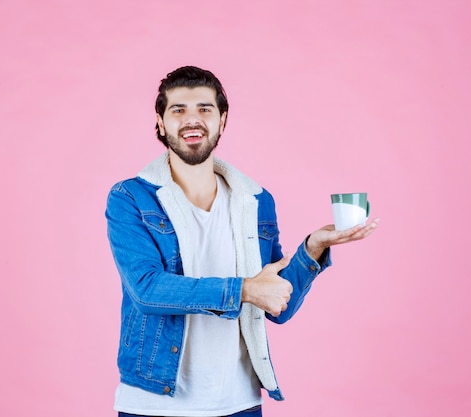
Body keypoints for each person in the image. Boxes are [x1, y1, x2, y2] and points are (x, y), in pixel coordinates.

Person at [105, 66, 379, 417]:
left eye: (205, 109)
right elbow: (147, 291)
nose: (193, 120)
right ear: (160, 123)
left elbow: (276, 303)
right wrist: (245, 289)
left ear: (223, 120)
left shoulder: (256, 200)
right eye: (178, 110)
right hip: (154, 403)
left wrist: (313, 248)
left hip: (240, 404)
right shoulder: (130, 197)